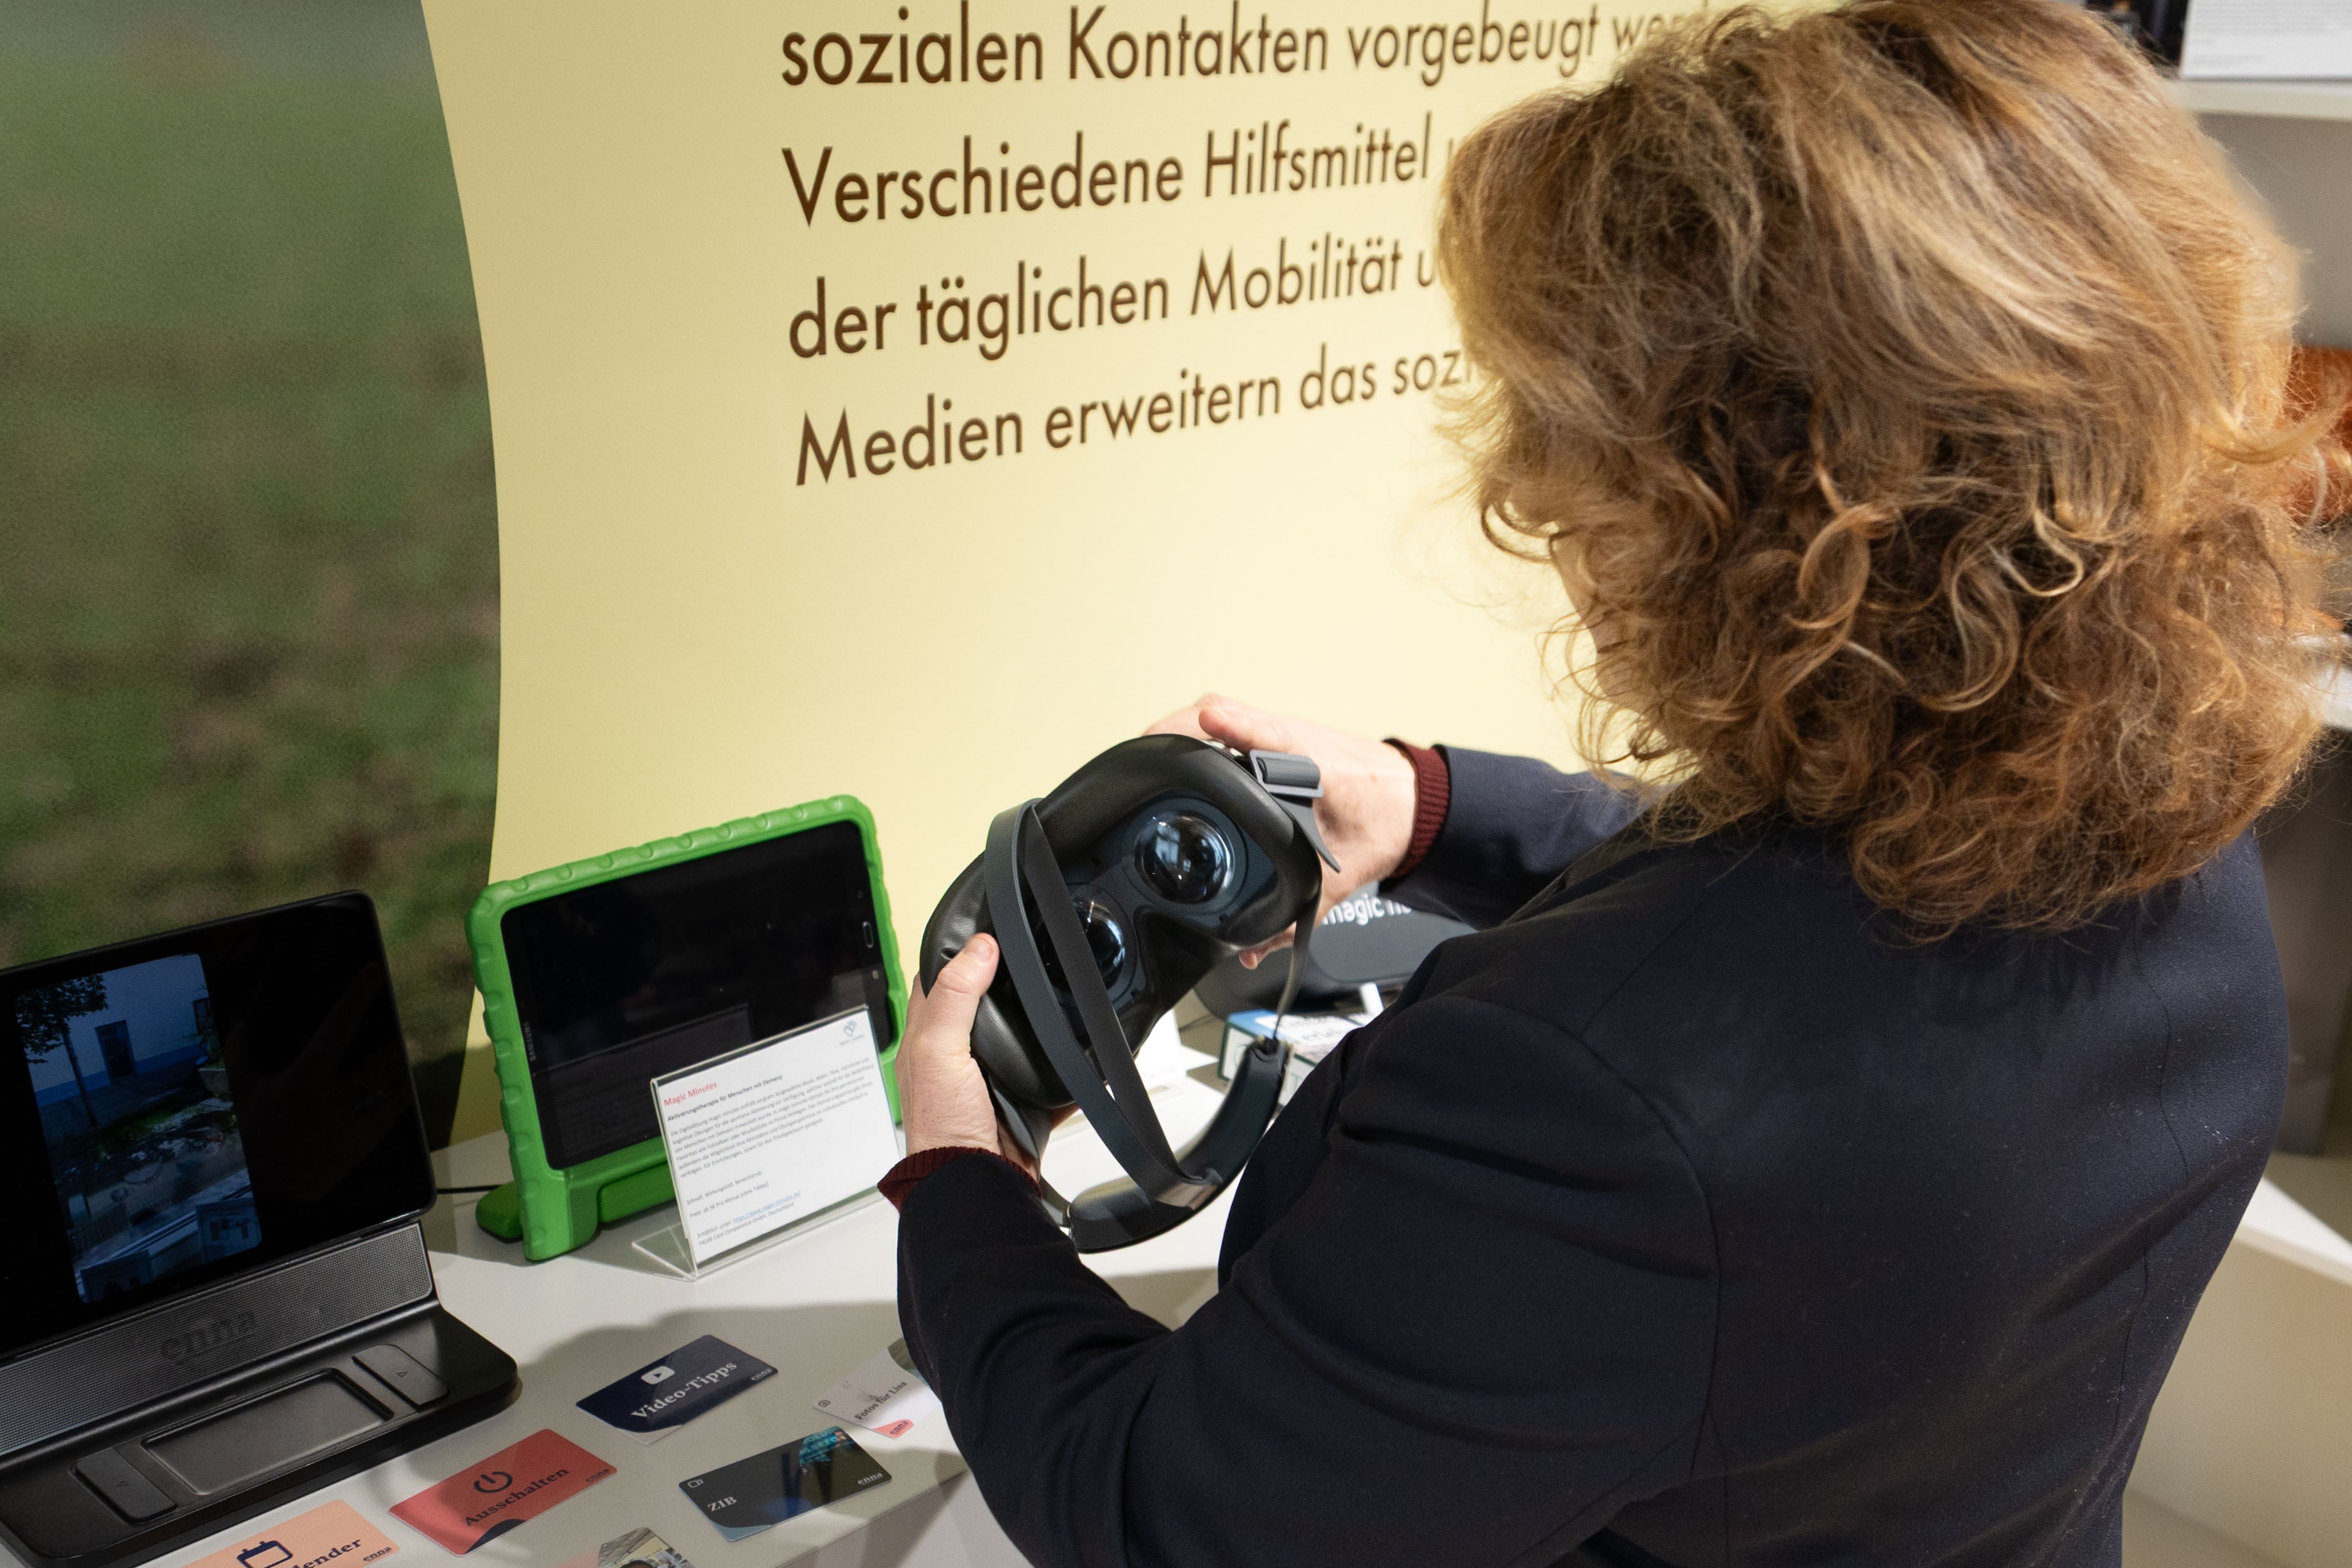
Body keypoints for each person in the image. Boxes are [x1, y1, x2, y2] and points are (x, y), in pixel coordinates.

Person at [884, 3, 2347, 1563]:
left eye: (1563, 436)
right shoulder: (2184, 834)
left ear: (1720, 515)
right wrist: (1434, 803)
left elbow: (1155, 1513)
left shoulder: (1580, 1114)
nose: (1528, 482)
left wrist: (958, 1182)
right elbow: (1811, 917)